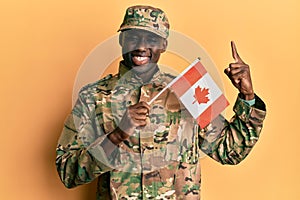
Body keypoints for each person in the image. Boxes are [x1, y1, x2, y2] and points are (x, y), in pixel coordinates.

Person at [56, 5, 266, 200]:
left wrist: (247, 96)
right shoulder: (94, 97)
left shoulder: (190, 90)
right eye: (133, 37)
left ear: (164, 44)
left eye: (152, 39)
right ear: (121, 41)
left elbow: (230, 151)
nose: (141, 46)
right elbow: (68, 172)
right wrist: (117, 135)